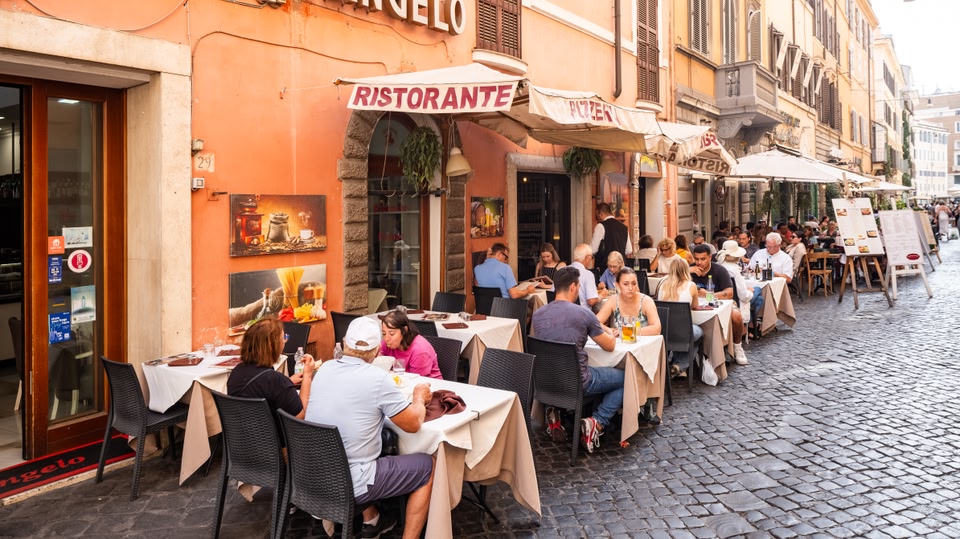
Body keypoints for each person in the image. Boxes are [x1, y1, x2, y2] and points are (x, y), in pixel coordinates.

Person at [307, 317, 435, 539]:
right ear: (377, 351)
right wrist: (418, 397)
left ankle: (372, 519)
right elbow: (413, 424)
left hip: (310, 475)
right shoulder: (377, 378)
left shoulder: (325, 369)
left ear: (345, 343)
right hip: (350, 482)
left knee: (362, 443)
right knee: (428, 466)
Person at [531, 266, 618, 454]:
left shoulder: (538, 315)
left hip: (547, 382)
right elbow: (609, 346)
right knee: (626, 378)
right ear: (573, 287)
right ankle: (597, 422)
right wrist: (611, 331)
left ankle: (556, 407)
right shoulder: (583, 313)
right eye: (578, 287)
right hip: (579, 381)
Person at [227, 316, 314, 420]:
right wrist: (308, 375)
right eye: (284, 338)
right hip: (274, 436)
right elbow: (299, 417)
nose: (285, 341)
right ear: (272, 345)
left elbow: (260, 390)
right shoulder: (276, 381)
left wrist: (288, 383)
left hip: (241, 435)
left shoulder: (236, 372)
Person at [689, 245, 747, 365]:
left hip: (721, 303)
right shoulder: (689, 270)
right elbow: (671, 281)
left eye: (703, 259)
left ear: (710, 257)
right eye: (696, 259)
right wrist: (687, 271)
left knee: (736, 316)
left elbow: (729, 293)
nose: (699, 262)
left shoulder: (719, 270)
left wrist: (708, 295)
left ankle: (737, 347)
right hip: (694, 305)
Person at [655, 260, 702, 378]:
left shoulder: (661, 284)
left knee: (686, 335)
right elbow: (694, 306)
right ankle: (680, 366)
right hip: (682, 332)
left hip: (663, 330)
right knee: (698, 335)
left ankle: (678, 366)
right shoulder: (691, 286)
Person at [595, 267, 661, 337]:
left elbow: (657, 328)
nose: (630, 288)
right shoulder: (613, 300)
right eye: (625, 284)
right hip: (620, 345)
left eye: (634, 283)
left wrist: (627, 331)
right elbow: (594, 322)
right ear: (617, 285)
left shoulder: (646, 301)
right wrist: (608, 330)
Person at [379, 310, 442, 380]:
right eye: (384, 333)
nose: (386, 338)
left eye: (392, 334)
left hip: (428, 385)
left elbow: (418, 381)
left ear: (404, 330)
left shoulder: (419, 350)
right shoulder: (387, 343)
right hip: (401, 382)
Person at [474, 242, 540, 298]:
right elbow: (514, 295)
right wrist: (528, 290)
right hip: (504, 309)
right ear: (499, 254)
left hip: (484, 309)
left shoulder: (477, 269)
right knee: (531, 308)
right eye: (506, 257)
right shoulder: (505, 268)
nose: (506, 261)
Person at [590, 203, 632, 269]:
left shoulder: (601, 226)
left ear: (601, 214)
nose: (596, 219)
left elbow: (593, 249)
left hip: (605, 267)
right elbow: (629, 250)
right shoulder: (624, 227)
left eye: (596, 216)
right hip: (620, 267)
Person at [570, 243, 604, 308]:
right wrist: (602, 295)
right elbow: (591, 301)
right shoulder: (588, 274)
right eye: (591, 257)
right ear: (588, 257)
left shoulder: (561, 271)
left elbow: (551, 295)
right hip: (582, 314)